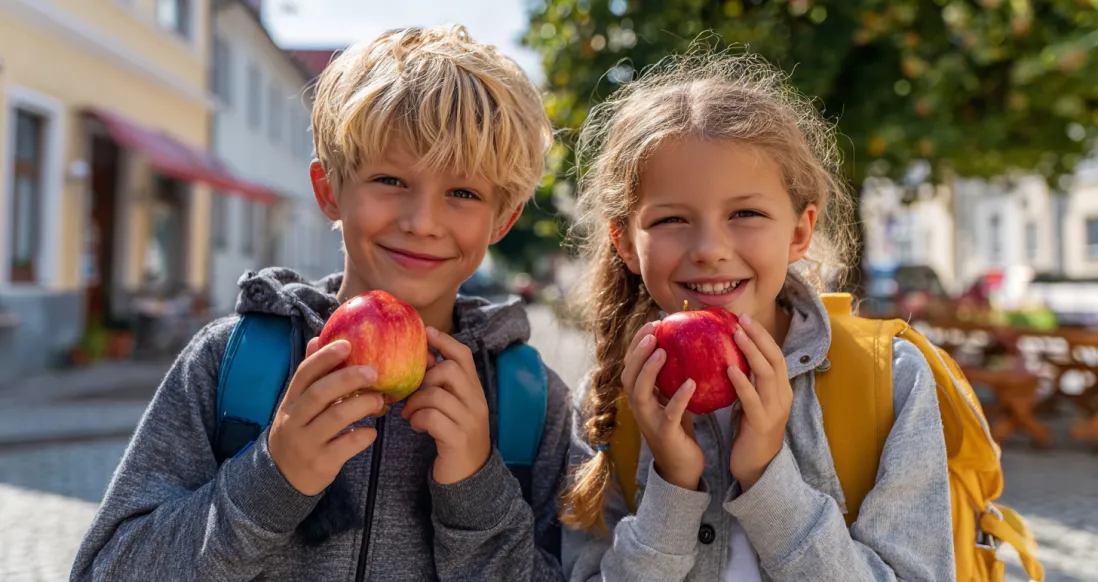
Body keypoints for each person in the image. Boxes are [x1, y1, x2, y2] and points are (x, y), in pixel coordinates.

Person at [71, 25, 570, 581]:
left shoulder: (530, 402)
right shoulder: (229, 362)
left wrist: (477, 491)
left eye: (463, 193)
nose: (422, 222)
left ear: (504, 217)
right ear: (330, 189)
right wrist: (271, 477)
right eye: (390, 179)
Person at [559, 49, 954, 581]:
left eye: (745, 213)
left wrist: (768, 478)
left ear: (799, 230)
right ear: (625, 242)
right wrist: (673, 486)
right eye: (672, 218)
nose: (710, 249)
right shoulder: (604, 402)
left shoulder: (892, 380)